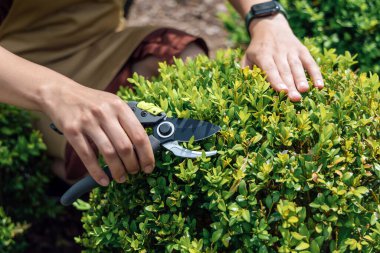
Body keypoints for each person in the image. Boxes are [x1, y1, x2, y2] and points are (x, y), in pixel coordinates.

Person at [0, 0, 323, 186]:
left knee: (184, 58)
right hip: (16, 66)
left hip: (101, 42)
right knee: (97, 155)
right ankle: (48, 173)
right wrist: (58, 93)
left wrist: (266, 17)